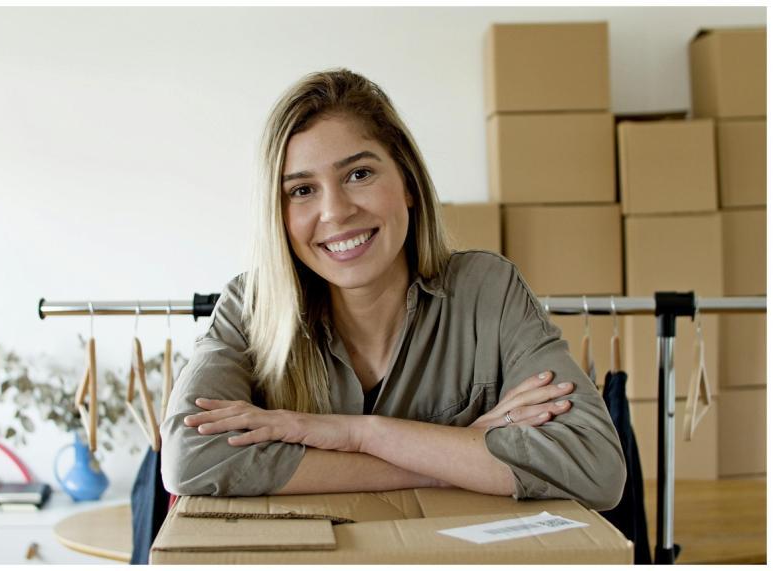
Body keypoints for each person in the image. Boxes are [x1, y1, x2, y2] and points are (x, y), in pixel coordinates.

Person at [161, 69, 625, 510]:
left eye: (358, 174)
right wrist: (451, 461)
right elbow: (189, 460)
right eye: (302, 190)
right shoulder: (249, 307)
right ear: (277, 214)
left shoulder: (488, 289)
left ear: (407, 182)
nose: (336, 212)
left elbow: (594, 466)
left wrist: (360, 435)